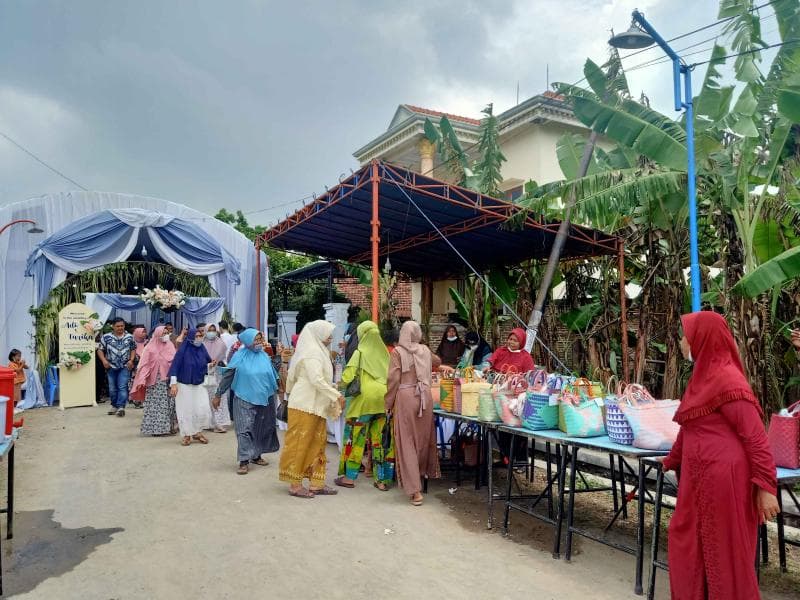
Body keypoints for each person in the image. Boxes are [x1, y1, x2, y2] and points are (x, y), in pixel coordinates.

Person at [661, 311, 779, 599]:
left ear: (702, 339)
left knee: (726, 551)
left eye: (685, 336)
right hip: (700, 478)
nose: (680, 342)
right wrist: (670, 460)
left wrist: (766, 486)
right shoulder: (703, 377)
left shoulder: (728, 379)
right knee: (688, 541)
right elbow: (690, 427)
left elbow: (755, 436)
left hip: (725, 481)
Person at [278, 320, 344, 498]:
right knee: (300, 445)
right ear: (318, 334)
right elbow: (315, 380)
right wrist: (335, 395)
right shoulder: (312, 353)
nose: (330, 337)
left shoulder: (319, 351)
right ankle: (295, 484)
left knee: (317, 443)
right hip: (304, 405)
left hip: (316, 406)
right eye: (327, 333)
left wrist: (332, 388)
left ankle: (317, 483)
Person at [385, 320, 444, 506]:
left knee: (406, 442)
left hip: (406, 396)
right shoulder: (424, 350)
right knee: (422, 439)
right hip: (425, 397)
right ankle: (422, 473)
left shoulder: (397, 352)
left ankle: (415, 490)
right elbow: (438, 362)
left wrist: (388, 403)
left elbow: (393, 380)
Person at [335, 320, 395, 491]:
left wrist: (337, 388)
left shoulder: (360, 352)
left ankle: (349, 478)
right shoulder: (386, 354)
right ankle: (381, 480)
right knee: (379, 441)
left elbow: (347, 377)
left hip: (363, 402)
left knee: (356, 440)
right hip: (383, 401)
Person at [213, 329, 280, 474]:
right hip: (244, 396)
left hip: (265, 398)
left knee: (260, 427)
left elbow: (274, 374)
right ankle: (244, 460)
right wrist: (218, 394)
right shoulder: (239, 357)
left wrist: (279, 356)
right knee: (244, 428)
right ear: (248, 341)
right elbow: (228, 376)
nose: (259, 343)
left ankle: (256, 455)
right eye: (256, 340)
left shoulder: (264, 356)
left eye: (260, 339)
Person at [168, 328, 215, 446]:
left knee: (201, 408)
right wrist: (173, 384)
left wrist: (211, 364)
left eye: (200, 336)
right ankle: (187, 435)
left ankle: (197, 432)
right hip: (184, 384)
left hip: (199, 384)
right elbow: (175, 366)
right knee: (186, 410)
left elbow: (206, 363)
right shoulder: (183, 350)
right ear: (190, 338)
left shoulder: (202, 349)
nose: (199, 338)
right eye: (196, 336)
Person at [131, 325, 177, 436]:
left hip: (170, 379)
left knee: (170, 404)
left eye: (167, 333)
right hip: (155, 381)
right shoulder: (150, 348)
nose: (166, 335)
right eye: (163, 333)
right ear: (157, 334)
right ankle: (157, 429)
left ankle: (170, 427)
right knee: (158, 405)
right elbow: (144, 365)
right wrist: (141, 380)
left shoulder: (170, 345)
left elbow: (175, 361)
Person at [97, 318, 137, 417]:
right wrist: (104, 361)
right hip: (110, 366)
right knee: (112, 388)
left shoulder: (129, 337)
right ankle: (114, 405)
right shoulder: (106, 337)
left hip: (125, 366)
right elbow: (100, 350)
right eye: (118, 326)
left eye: (122, 326)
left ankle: (121, 407)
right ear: (113, 327)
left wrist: (131, 360)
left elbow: (133, 349)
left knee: (122, 386)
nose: (120, 328)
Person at [203, 323, 231, 433]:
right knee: (206, 399)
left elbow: (224, 359)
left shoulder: (221, 343)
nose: (212, 332)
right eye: (209, 330)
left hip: (218, 375)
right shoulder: (202, 344)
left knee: (219, 397)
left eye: (214, 330)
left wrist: (217, 361)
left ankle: (219, 423)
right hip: (206, 375)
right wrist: (207, 363)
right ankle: (209, 423)